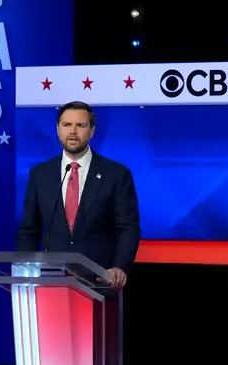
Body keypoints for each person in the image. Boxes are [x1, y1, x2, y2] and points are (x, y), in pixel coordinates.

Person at [16, 101, 141, 290]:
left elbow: (128, 228)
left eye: (80, 125)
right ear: (58, 129)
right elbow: (29, 229)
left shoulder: (116, 174)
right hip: (52, 283)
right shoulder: (40, 174)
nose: (73, 131)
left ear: (92, 131)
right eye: (67, 125)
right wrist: (26, 267)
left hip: (101, 282)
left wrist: (120, 267)